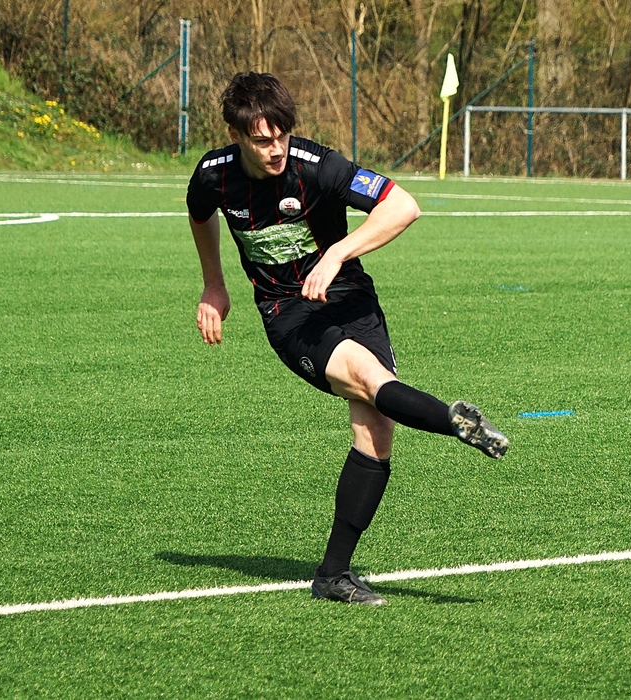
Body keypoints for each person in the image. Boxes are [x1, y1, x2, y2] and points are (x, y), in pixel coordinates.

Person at [186, 72, 508, 607]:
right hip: (289, 312)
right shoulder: (213, 175)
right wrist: (214, 285)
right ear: (235, 135)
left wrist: (338, 253)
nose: (276, 149)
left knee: (376, 431)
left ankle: (333, 575)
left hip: (352, 299)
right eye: (262, 140)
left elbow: (403, 206)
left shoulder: (319, 166)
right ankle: (451, 421)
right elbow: (199, 214)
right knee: (367, 379)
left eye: (282, 135)